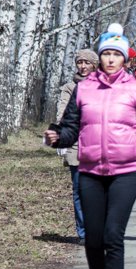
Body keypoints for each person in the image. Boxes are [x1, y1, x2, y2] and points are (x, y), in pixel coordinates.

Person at [45, 29, 136, 269]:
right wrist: (58, 137)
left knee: (113, 236)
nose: (111, 59)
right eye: (107, 54)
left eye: (116, 54)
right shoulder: (84, 89)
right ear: (101, 57)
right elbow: (71, 128)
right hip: (90, 172)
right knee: (94, 241)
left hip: (126, 172)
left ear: (124, 59)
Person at [55, 49, 98, 245]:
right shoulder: (69, 87)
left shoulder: (102, 86)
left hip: (98, 144)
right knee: (79, 189)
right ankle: (84, 233)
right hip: (75, 144)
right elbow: (62, 112)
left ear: (94, 65)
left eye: (86, 62)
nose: (82, 66)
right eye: (79, 62)